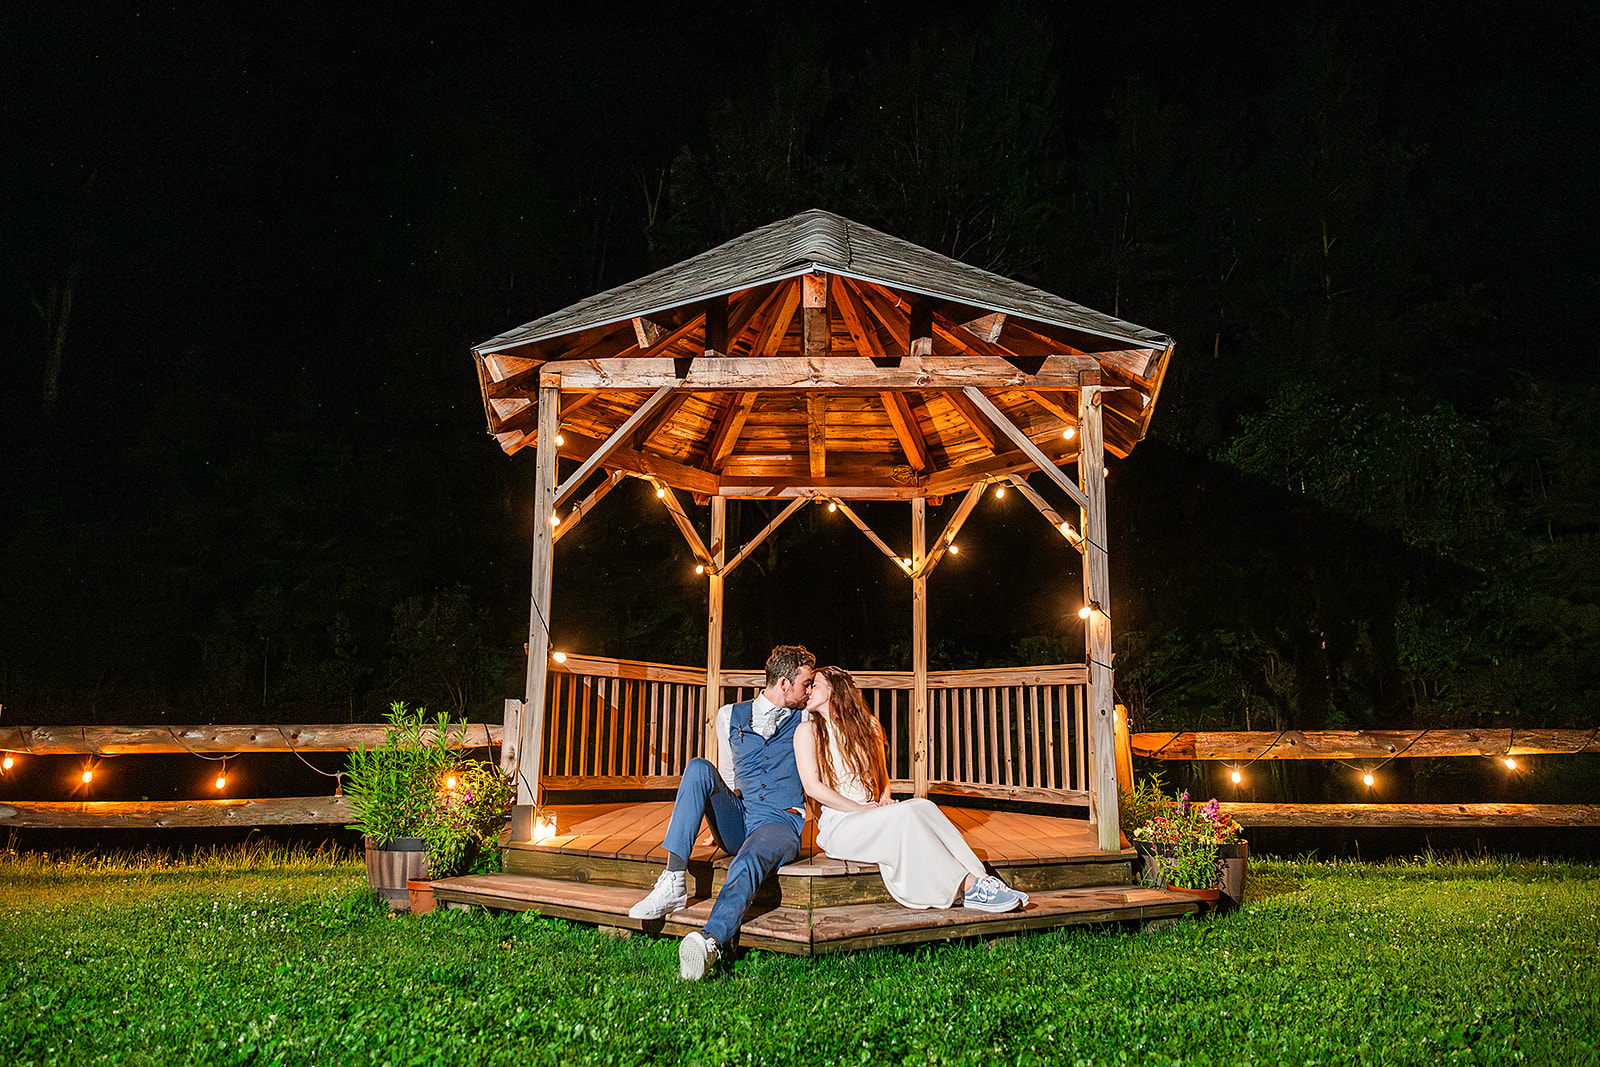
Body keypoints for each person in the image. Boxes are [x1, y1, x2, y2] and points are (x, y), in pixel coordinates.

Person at [628, 644, 816, 980]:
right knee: (700, 767)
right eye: (805, 683)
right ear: (785, 683)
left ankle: (709, 941)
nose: (809, 690)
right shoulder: (729, 715)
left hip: (779, 822)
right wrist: (711, 824)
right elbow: (727, 778)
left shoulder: (807, 718)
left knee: (749, 858)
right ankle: (672, 881)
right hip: (741, 817)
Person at [795, 665, 1027, 912]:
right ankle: (968, 887)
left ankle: (981, 879)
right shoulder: (808, 731)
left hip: (872, 812)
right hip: (841, 823)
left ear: (834, 691)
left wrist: (884, 799)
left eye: (814, 684)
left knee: (922, 806)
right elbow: (812, 787)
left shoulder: (868, 727)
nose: (808, 690)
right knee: (905, 816)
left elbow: (882, 776)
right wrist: (858, 809)